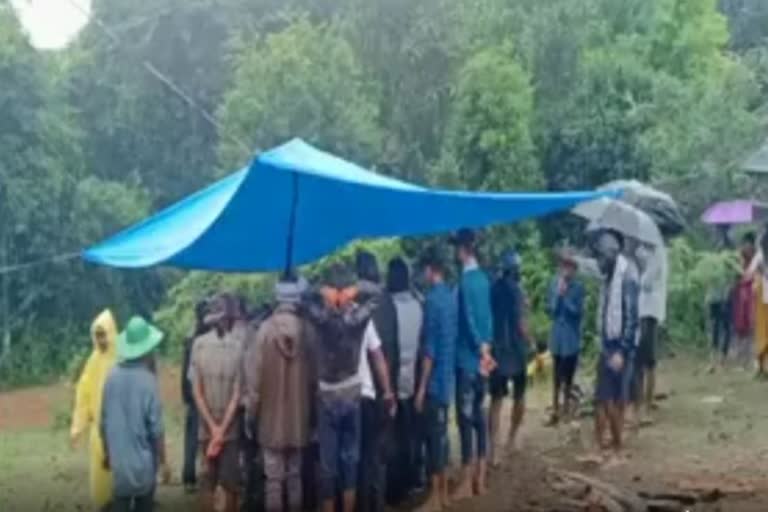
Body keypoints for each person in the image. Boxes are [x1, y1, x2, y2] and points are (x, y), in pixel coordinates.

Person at [303, 264, 396, 512]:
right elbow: (378, 292)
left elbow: (302, 294)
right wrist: (354, 290)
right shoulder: (358, 316)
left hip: (327, 395)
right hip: (353, 393)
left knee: (328, 465)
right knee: (350, 462)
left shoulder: (320, 317)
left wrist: (322, 291)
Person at [247, 278, 317, 512]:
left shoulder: (264, 331)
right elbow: (315, 379)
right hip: (299, 418)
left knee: (273, 481)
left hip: (269, 420)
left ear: (277, 298)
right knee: (295, 476)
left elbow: (254, 382)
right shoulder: (308, 331)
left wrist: (251, 416)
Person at [101, 316, 170, 512]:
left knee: (120, 503)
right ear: (147, 350)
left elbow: (103, 423)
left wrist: (107, 454)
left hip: (119, 462)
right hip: (144, 466)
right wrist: (164, 461)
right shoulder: (148, 382)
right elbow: (157, 430)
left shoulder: (111, 377)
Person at [190, 294, 244, 512]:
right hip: (229, 431)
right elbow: (237, 394)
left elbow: (197, 392)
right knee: (231, 485)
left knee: (207, 483)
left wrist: (212, 428)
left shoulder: (198, 346)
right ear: (228, 319)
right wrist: (221, 430)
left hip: (206, 430)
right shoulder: (238, 347)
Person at [450, 229, 494, 500]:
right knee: (481, 417)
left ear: (464, 250)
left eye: (457, 248)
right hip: (484, 358)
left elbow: (467, 320)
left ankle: (467, 480)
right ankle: (481, 477)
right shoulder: (484, 280)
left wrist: (478, 346)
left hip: (467, 359)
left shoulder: (464, 283)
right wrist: (487, 348)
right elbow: (487, 317)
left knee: (466, 419)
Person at [414, 247, 457, 512]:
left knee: (433, 440)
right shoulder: (451, 297)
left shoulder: (431, 301)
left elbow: (429, 351)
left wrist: (420, 389)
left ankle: (434, 496)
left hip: (435, 382)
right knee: (441, 437)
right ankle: (443, 495)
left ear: (432, 270)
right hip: (448, 380)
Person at [354, 251, 398, 512]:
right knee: (376, 455)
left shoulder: (349, 300)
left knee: (355, 456)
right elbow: (390, 348)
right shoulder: (387, 301)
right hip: (380, 389)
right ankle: (378, 504)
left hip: (350, 388)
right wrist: (388, 390)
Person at [593, 230, 639, 459]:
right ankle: (612, 441)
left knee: (617, 397)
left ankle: (618, 445)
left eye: (602, 256)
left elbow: (632, 317)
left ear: (611, 255)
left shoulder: (628, 276)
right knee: (604, 395)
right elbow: (603, 313)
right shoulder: (608, 276)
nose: (599, 261)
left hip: (622, 345)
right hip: (607, 341)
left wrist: (622, 350)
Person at [488, 249, 533, 467]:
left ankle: (493, 448)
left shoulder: (492, 290)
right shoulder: (518, 292)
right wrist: (531, 341)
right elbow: (521, 325)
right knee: (519, 395)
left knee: (496, 400)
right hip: (516, 349)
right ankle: (511, 439)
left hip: (497, 349)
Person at [70, 309, 119, 511]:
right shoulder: (93, 361)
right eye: (97, 335)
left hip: (121, 429)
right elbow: (84, 395)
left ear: (111, 332)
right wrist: (78, 427)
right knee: (100, 479)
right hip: (99, 431)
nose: (100, 339)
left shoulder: (122, 358)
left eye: (103, 334)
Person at [386, 257, 425, 503]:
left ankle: (395, 489)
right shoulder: (417, 305)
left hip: (392, 378)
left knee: (394, 437)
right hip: (412, 377)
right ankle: (414, 479)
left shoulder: (388, 307)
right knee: (411, 433)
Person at [546, 248, 585, 426]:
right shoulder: (554, 283)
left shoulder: (578, 287)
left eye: (570, 266)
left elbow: (577, 312)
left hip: (571, 336)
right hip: (557, 335)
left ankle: (567, 408)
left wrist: (565, 298)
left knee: (568, 375)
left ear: (574, 269)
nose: (566, 270)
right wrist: (558, 297)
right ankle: (555, 408)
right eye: (564, 266)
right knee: (556, 373)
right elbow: (551, 310)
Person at [634, 241, 668, 422]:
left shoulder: (657, 255)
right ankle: (642, 403)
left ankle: (645, 406)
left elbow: (646, 282)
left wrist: (641, 267)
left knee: (647, 362)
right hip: (644, 311)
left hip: (650, 312)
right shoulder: (646, 252)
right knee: (642, 361)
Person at [181, 300, 210, 493]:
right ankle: (204, 477)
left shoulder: (190, 339)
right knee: (203, 438)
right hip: (206, 395)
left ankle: (189, 477)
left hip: (193, 394)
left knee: (192, 438)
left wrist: (186, 395)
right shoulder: (208, 338)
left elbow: (185, 372)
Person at [733, 232, 756, 371]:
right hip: (741, 295)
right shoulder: (739, 258)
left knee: (751, 327)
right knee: (741, 328)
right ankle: (742, 359)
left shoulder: (757, 260)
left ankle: (750, 358)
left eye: (747, 244)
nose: (745, 247)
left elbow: (750, 276)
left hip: (751, 294)